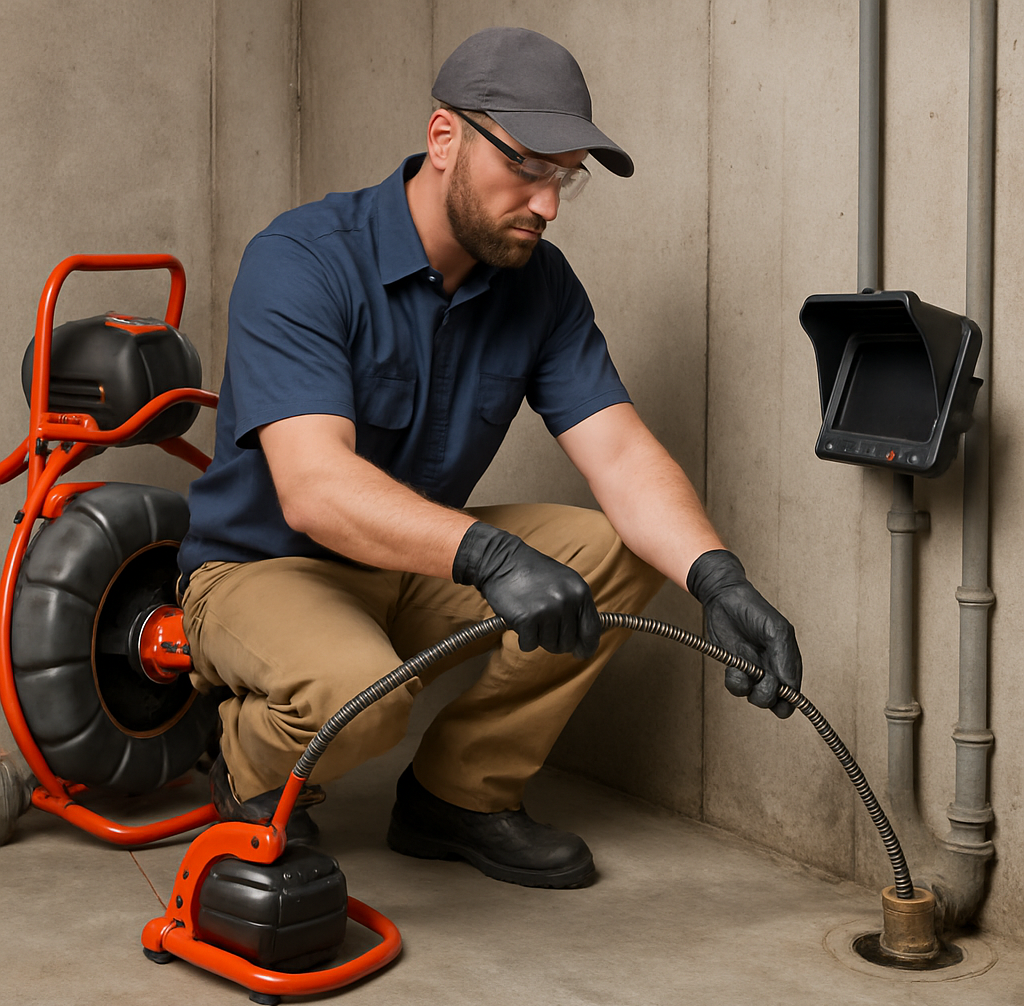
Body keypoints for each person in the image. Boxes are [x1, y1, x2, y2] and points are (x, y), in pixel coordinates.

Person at [177, 26, 802, 889]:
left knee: (622, 550)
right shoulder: (303, 260)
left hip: (412, 565)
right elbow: (315, 488)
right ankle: (242, 762)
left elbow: (620, 452)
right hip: (263, 569)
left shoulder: (540, 284)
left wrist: (719, 579)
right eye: (528, 167)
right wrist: (493, 556)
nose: (547, 204)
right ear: (445, 138)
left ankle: (458, 796)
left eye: (565, 177)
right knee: (361, 695)